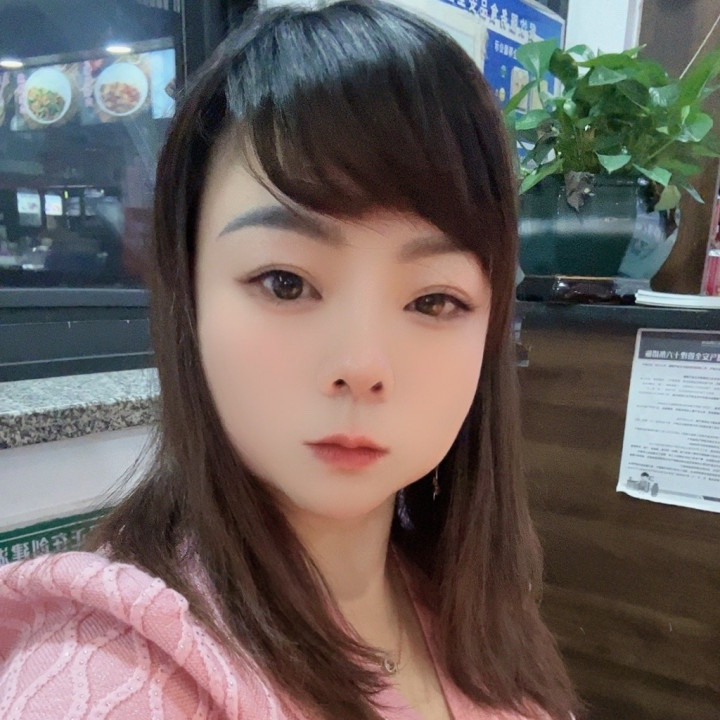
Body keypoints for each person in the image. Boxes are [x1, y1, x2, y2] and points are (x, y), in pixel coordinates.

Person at [0, 2, 580, 718]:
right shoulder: (111, 686)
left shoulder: (467, 600)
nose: (361, 365)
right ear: (189, 295)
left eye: (434, 300)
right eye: (285, 283)